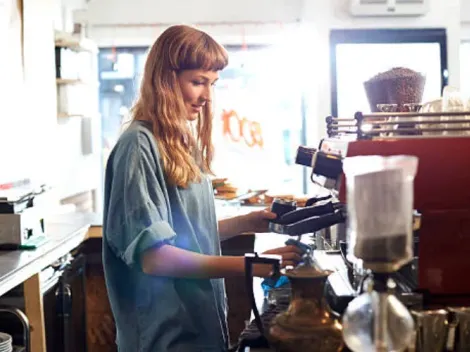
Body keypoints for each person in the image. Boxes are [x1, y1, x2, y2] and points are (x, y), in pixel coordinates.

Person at [102, 25, 302, 352]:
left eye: (212, 84)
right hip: (163, 337)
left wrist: (249, 222)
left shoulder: (178, 143)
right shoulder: (138, 147)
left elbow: (189, 235)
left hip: (197, 329)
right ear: (164, 79)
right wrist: (251, 265)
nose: (207, 97)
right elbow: (156, 257)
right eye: (198, 82)